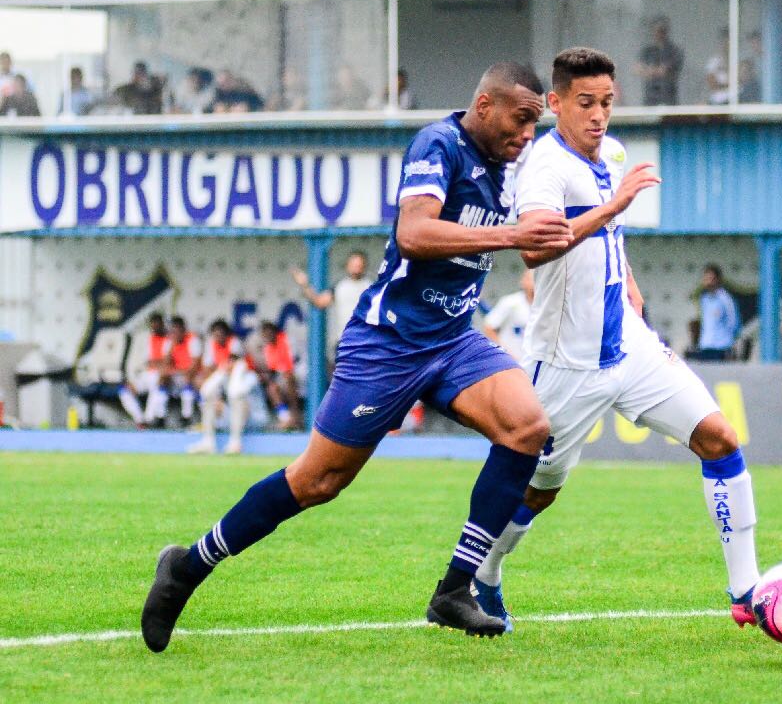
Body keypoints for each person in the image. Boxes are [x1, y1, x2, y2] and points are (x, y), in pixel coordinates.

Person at [141, 61, 572, 652]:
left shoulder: (514, 168)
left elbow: (532, 245)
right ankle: (189, 565)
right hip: (388, 341)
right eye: (521, 120)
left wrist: (606, 210)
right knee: (317, 481)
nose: (527, 134)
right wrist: (511, 234)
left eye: (535, 124)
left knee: (528, 428)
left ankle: (455, 588)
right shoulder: (438, 143)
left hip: (453, 337)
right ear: (485, 105)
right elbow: (414, 234)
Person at [472, 47, 762, 635]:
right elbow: (532, 248)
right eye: (585, 104)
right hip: (563, 362)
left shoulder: (615, 153)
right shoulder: (542, 169)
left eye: (607, 102)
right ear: (554, 105)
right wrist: (615, 203)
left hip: (630, 346)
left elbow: (612, 238)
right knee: (537, 491)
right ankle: (488, 573)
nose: (599, 115)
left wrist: (626, 279)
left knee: (720, 438)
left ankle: (746, 590)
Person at [187, 320, 259, 455]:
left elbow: (235, 387)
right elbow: (207, 387)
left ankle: (236, 443)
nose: (218, 339)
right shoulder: (223, 373)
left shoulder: (249, 376)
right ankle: (208, 442)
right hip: (229, 418)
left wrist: (222, 370)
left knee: (237, 396)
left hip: (255, 419)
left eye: (221, 335)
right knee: (209, 395)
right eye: (215, 336)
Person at [291, 250, 374, 355]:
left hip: (366, 342)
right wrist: (305, 285)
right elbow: (319, 302)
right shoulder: (340, 286)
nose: (356, 268)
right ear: (347, 265)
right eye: (354, 265)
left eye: (359, 265)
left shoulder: (372, 287)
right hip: (345, 342)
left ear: (364, 266)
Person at [118, 313, 172, 429]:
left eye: (158, 324)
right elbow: (147, 362)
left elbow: (167, 361)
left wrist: (157, 362)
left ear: (163, 324)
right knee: (125, 390)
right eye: (153, 325)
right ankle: (140, 420)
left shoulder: (170, 339)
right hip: (147, 373)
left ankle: (148, 420)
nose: (155, 327)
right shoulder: (149, 339)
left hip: (161, 374)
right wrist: (158, 362)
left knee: (158, 387)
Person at [689, 263, 740, 361]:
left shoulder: (726, 299)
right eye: (706, 279)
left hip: (722, 347)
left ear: (718, 280)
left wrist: (729, 341)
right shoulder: (704, 299)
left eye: (711, 279)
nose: (708, 282)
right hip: (705, 346)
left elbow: (734, 323)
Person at [482, 269, 534, 362]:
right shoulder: (511, 302)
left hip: (533, 364)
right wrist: (504, 354)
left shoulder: (546, 307)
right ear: (523, 281)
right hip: (509, 362)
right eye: (530, 278)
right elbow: (489, 328)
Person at [257, 321, 300, 429]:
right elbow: (272, 369)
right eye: (264, 335)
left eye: (269, 333)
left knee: (289, 379)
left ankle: (295, 415)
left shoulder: (288, 340)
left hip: (298, 373)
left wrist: (285, 372)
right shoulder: (267, 348)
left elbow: (294, 361)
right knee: (272, 388)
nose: (267, 336)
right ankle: (285, 418)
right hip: (281, 376)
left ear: (275, 332)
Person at [636, 16, 684, 106]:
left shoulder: (674, 51)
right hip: (650, 98)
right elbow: (638, 69)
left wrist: (650, 70)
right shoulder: (647, 51)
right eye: (656, 30)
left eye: (661, 30)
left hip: (668, 97)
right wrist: (652, 71)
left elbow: (665, 70)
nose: (658, 33)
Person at [166, 316, 202, 426]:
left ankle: (187, 417)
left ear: (183, 329)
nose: (175, 333)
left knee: (188, 385)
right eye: (173, 330)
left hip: (192, 375)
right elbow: (166, 364)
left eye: (178, 330)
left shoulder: (193, 339)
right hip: (177, 376)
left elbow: (196, 364)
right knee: (160, 383)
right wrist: (171, 347)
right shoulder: (170, 342)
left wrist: (187, 375)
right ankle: (156, 419)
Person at [704, 28, 730, 105]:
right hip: (719, 101)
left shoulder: (739, 59)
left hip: (738, 100)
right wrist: (731, 84)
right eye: (725, 41)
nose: (727, 44)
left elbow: (744, 80)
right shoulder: (714, 61)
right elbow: (712, 84)